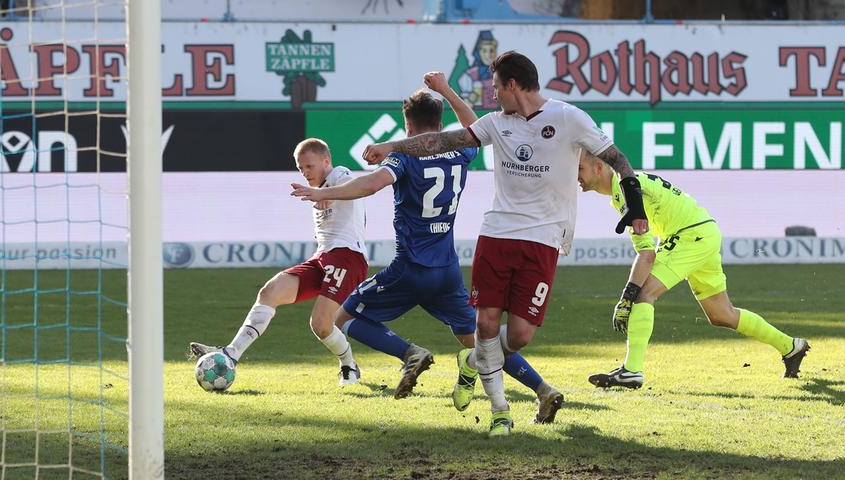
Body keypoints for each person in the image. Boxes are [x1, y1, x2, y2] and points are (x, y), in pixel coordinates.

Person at [362, 51, 649, 436]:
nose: (493, 94)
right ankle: (500, 413)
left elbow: (618, 159)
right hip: (497, 234)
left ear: (513, 85)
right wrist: (393, 146)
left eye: (496, 86)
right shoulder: (496, 124)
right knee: (485, 323)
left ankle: (474, 362)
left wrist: (635, 205)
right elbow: (441, 141)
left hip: (545, 239)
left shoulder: (568, 117)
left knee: (518, 337)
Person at [291, 73, 565, 425]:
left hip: (409, 269)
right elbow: (475, 128)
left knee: (346, 317)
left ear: (408, 126)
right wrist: (447, 90)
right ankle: (542, 389)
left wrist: (322, 193)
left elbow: (371, 184)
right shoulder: (460, 150)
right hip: (446, 271)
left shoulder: (404, 156)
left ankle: (411, 353)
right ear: (438, 124)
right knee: (479, 340)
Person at [577, 151, 811, 388]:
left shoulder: (626, 190)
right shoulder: (627, 187)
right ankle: (791, 347)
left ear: (598, 167)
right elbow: (647, 249)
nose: (575, 176)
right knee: (722, 315)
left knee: (643, 294)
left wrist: (626, 298)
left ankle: (632, 371)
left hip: (690, 235)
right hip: (702, 232)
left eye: (579, 168)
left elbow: (647, 255)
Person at [189, 138, 368, 387]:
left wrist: (324, 193)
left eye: (309, 166)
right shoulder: (317, 189)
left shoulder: (340, 175)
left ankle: (349, 365)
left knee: (321, 325)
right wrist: (320, 193)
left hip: (347, 257)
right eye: (300, 168)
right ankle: (230, 354)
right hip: (322, 257)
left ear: (326, 161)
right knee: (269, 292)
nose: (305, 173)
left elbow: (356, 186)